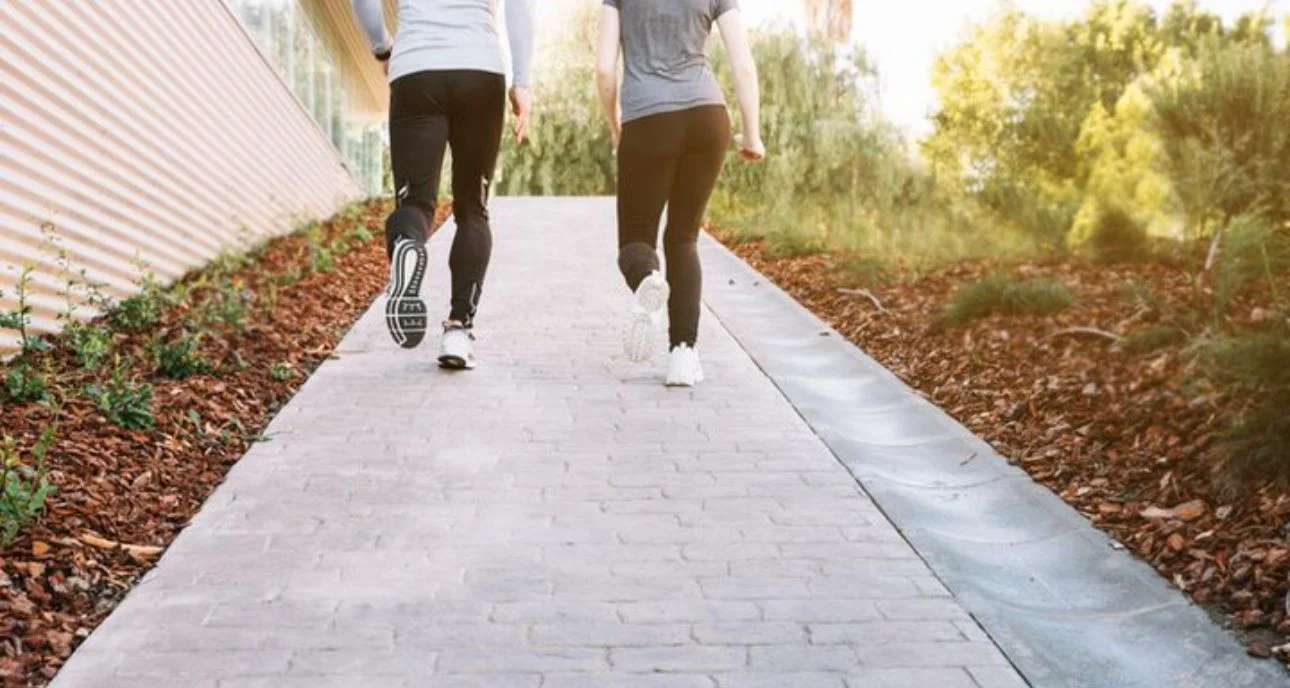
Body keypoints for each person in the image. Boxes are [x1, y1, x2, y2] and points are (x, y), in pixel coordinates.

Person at [351, 0, 535, 370]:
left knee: (414, 204)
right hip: (480, 69)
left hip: (417, 69)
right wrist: (522, 82)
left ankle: (406, 246)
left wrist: (382, 46)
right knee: (472, 208)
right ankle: (458, 330)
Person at [596, 0, 764, 387]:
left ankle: (648, 280)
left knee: (636, 242)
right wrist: (752, 134)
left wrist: (615, 126)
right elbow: (742, 64)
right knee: (683, 236)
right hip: (707, 117)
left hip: (648, 120)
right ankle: (683, 357)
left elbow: (604, 69)